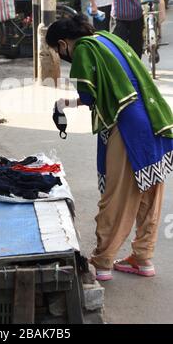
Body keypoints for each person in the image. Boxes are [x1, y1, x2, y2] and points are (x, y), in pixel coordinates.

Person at [46, 14, 173, 281]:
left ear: (62, 43)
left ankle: (103, 262)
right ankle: (143, 258)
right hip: (155, 119)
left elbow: (91, 95)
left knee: (118, 197)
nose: (62, 55)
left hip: (128, 126)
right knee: (149, 194)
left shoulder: (83, 49)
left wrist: (65, 104)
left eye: (58, 51)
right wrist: (66, 104)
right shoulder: (107, 38)